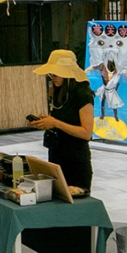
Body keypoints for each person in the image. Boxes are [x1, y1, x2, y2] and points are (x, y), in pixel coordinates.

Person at [27, 50, 96, 196]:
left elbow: (86, 132)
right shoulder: (59, 92)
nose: (52, 78)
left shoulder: (83, 95)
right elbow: (60, 118)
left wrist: (56, 123)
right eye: (51, 74)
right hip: (57, 154)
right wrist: (44, 120)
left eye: (55, 74)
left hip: (76, 160)